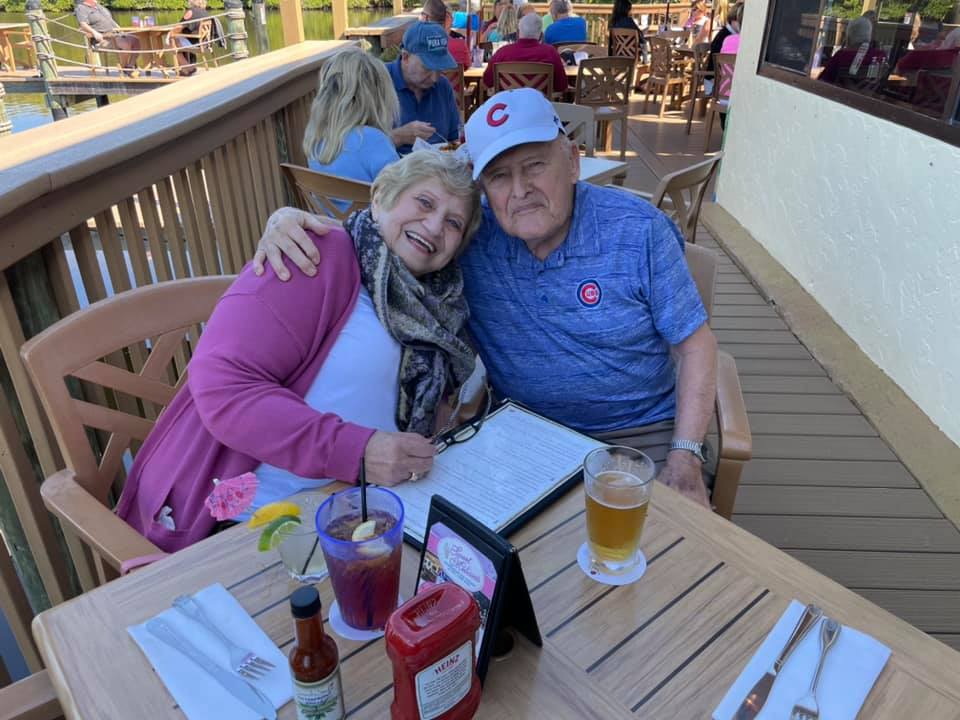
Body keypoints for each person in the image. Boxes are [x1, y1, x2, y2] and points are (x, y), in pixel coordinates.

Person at [253, 89, 719, 509]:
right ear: (482, 189)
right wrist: (293, 221)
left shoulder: (638, 230)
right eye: (498, 175)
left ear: (573, 162)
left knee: (665, 571)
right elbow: (384, 236)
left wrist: (686, 454)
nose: (520, 190)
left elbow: (695, 345)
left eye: (535, 165)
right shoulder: (468, 239)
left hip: (640, 438)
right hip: (523, 436)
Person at [115, 151, 481, 552]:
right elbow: (224, 385)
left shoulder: (441, 307)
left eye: (453, 223)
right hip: (256, 522)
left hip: (363, 513)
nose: (433, 226)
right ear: (380, 199)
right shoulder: (315, 253)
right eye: (424, 202)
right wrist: (356, 452)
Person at [303, 48, 399, 195]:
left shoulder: (315, 140)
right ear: (377, 96)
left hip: (327, 218)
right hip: (371, 218)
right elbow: (402, 198)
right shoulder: (372, 141)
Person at [388, 22, 461, 154]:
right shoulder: (378, 81)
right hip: (387, 171)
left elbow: (454, 138)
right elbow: (354, 148)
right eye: (427, 68)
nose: (434, 78)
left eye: (439, 69)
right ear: (405, 57)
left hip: (438, 170)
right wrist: (398, 136)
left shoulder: (443, 85)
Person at [483, 12, 568, 92]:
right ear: (541, 35)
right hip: (539, 106)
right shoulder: (550, 52)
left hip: (510, 106)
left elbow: (487, 83)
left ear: (518, 33)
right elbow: (561, 87)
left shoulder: (503, 52)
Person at [74, 0, 141, 73]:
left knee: (136, 40)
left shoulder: (99, 6)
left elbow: (110, 20)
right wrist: (94, 33)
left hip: (116, 34)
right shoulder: (81, 8)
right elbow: (83, 25)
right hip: (102, 39)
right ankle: (124, 68)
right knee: (125, 44)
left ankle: (130, 66)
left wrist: (121, 31)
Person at [168, 0, 221, 77]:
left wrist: (170, 32)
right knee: (177, 38)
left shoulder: (191, 12)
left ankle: (189, 68)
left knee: (171, 40)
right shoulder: (204, 12)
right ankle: (185, 67)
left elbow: (179, 28)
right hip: (206, 43)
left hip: (196, 44)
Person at [422, 0, 470, 68]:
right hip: (453, 78)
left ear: (426, 18)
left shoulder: (419, 45)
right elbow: (468, 66)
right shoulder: (460, 45)